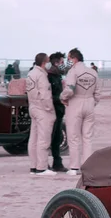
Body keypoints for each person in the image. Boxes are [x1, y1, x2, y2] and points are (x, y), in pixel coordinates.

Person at [60, 47, 102, 175]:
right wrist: (92, 103)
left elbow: (70, 89)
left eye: (69, 58)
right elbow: (98, 93)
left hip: (75, 103)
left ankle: (74, 167)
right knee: (87, 137)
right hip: (89, 103)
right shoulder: (93, 72)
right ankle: (87, 167)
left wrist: (63, 97)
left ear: (74, 58)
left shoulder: (73, 71)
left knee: (73, 137)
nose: (68, 61)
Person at [26, 53, 57, 176]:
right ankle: (42, 167)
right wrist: (50, 109)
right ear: (44, 63)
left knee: (33, 138)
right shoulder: (41, 76)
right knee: (43, 139)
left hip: (33, 106)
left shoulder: (30, 74)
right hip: (42, 109)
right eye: (48, 61)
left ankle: (33, 166)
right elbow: (45, 95)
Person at [47, 52, 67, 172]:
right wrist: (60, 98)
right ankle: (45, 163)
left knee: (57, 137)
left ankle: (57, 162)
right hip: (51, 110)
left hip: (59, 111)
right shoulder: (49, 77)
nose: (63, 65)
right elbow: (48, 95)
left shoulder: (58, 76)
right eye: (62, 62)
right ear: (56, 63)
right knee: (49, 137)